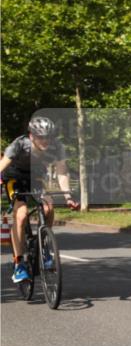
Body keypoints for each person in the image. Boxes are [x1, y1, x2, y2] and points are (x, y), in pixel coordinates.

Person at [1, 116, 80, 283]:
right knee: (21, 215)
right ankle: (19, 264)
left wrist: (68, 196)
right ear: (31, 136)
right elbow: (2, 165)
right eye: (40, 136)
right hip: (14, 179)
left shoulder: (57, 147)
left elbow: (61, 171)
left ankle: (43, 247)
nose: (45, 140)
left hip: (36, 178)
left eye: (48, 136)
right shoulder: (20, 144)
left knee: (48, 207)